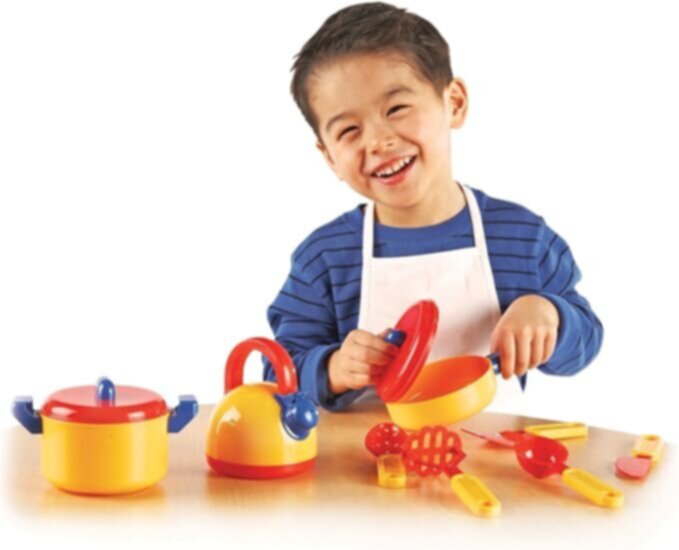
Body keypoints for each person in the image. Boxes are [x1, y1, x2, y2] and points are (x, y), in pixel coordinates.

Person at [265, 2, 603, 411]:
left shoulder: (522, 239)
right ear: (329, 157)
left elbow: (586, 342)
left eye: (396, 109)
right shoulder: (324, 259)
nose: (378, 141)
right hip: (365, 453)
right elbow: (278, 375)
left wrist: (550, 315)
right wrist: (333, 368)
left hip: (490, 449)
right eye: (349, 130)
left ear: (453, 103)